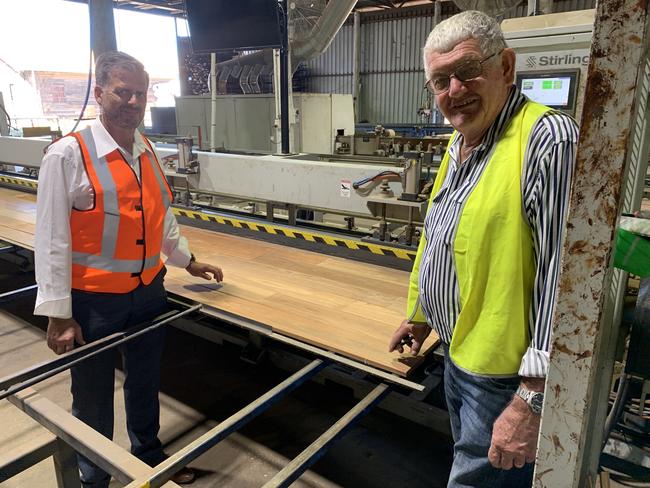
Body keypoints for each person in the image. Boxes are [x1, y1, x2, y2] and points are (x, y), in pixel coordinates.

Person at [388, 11, 578, 488]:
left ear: (506, 67)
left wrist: (532, 397)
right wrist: (421, 314)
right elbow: (441, 238)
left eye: (468, 70)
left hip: (503, 377)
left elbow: (564, 278)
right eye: (440, 80)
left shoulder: (547, 139)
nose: (454, 90)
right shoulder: (459, 143)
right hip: (457, 353)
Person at [34, 51, 223, 487]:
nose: (133, 102)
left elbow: (160, 216)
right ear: (99, 94)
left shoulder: (145, 149)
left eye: (141, 93)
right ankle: (94, 477)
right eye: (123, 92)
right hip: (93, 302)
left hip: (148, 291)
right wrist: (58, 314)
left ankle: (149, 457)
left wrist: (186, 260)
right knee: (94, 394)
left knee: (145, 381)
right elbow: (51, 241)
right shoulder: (68, 155)